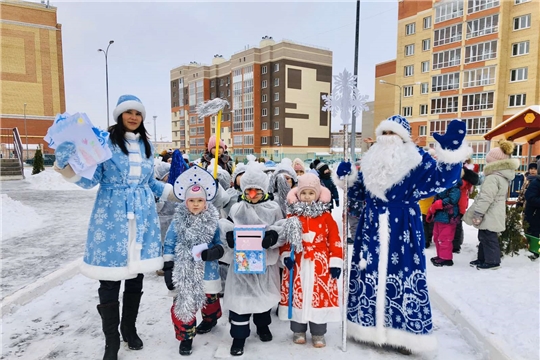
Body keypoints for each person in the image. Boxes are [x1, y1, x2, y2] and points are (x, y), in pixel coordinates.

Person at [53, 94, 179, 359]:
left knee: (136, 277)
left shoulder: (147, 146)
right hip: (111, 218)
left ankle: (128, 329)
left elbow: (149, 183)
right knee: (109, 281)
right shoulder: (105, 143)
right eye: (128, 112)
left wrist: (178, 192)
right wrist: (65, 163)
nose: (134, 117)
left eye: (138, 113)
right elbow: (90, 180)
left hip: (142, 216)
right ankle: (111, 341)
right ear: (119, 116)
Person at [335, 115, 471, 354]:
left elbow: (444, 180)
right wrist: (348, 178)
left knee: (403, 274)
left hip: (403, 227)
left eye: (393, 133)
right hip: (372, 227)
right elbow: (358, 194)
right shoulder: (369, 161)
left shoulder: (418, 160)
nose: (388, 139)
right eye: (384, 133)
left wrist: (451, 154)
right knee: (369, 272)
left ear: (404, 137)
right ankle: (365, 326)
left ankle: (405, 334)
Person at [218, 164, 285, 356]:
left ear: (264, 190)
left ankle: (263, 326)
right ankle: (238, 337)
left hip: (264, 265)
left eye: (257, 190)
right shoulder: (237, 209)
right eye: (248, 190)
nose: (252, 194)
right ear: (243, 190)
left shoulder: (273, 208)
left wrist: (273, 237)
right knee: (240, 301)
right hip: (241, 266)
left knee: (262, 298)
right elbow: (225, 228)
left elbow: (281, 228)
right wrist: (230, 237)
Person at [163, 166, 225, 356]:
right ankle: (186, 337)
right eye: (192, 201)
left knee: (209, 298)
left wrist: (212, 252)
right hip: (184, 271)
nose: (196, 204)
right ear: (186, 202)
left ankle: (210, 319)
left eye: (200, 200)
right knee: (184, 303)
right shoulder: (177, 221)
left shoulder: (213, 221)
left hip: (207, 270)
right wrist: (168, 266)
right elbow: (169, 243)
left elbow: (219, 244)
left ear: (205, 202)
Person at [278, 173, 343, 348]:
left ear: (318, 194)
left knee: (318, 297)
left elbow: (334, 240)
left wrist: (335, 261)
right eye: (304, 193)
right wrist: (285, 256)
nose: (307, 196)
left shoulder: (326, 217)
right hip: (298, 262)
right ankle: (298, 329)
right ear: (298, 194)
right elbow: (286, 241)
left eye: (311, 193)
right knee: (298, 295)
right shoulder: (292, 218)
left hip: (319, 264)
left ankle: (318, 332)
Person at [464, 140, 520, 270]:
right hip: (494, 210)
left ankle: (492, 262)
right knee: (484, 235)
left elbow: (486, 197)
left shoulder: (493, 177)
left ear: (495, 163)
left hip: (490, 211)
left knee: (488, 236)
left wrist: (478, 213)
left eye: (489, 162)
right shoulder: (500, 176)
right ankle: (483, 258)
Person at [524, 170, 540, 259]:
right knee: (535, 232)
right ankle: (534, 252)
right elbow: (530, 197)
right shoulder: (536, 183)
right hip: (535, 214)